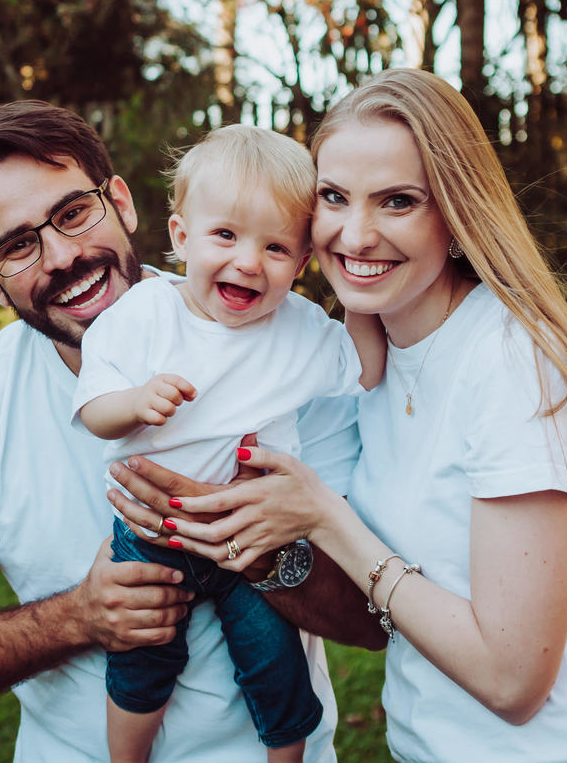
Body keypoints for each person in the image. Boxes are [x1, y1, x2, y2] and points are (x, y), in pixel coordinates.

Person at [109, 69, 567, 762]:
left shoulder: (514, 363)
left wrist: (325, 520)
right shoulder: (362, 360)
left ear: (456, 217)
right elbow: (376, 616)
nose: (356, 234)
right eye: (335, 197)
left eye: (397, 202)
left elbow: (513, 681)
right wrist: (242, 534)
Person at [0, 101, 379, 763]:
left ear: (121, 202)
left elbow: (378, 621)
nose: (62, 256)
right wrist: (79, 617)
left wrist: (265, 553)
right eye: (19, 246)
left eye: (73, 213)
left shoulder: (284, 344)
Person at [72, 124, 384, 762]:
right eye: (225, 235)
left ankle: (287, 755)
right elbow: (93, 408)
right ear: (181, 235)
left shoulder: (298, 329)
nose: (248, 261)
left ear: (301, 265)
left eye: (276, 248)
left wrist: (355, 291)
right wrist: (135, 403)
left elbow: (365, 367)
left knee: (275, 665)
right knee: (142, 661)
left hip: (255, 537)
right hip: (153, 535)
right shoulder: (143, 316)